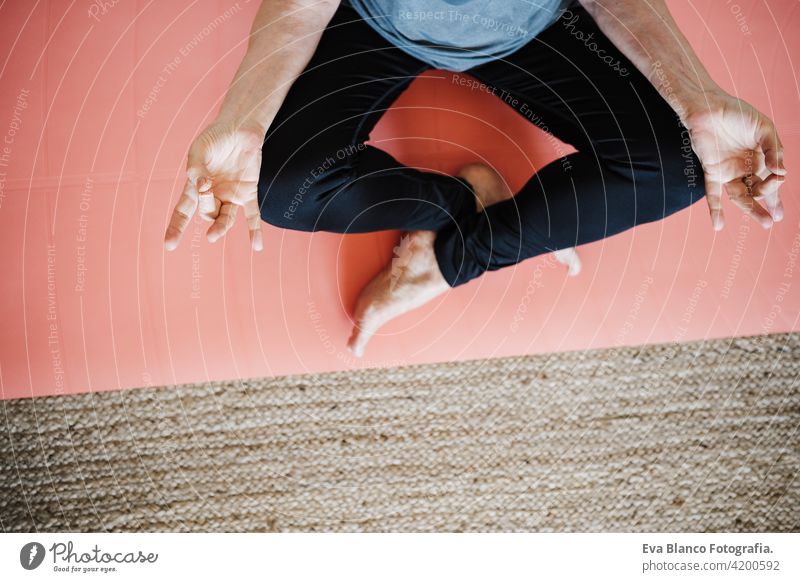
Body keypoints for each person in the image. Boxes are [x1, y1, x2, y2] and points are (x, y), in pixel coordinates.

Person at [164, 0, 787, 356]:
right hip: (378, 24)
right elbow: (301, 10)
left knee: (678, 168)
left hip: (532, 29)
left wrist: (697, 98)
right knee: (278, 189)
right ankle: (462, 200)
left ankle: (453, 258)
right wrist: (242, 119)